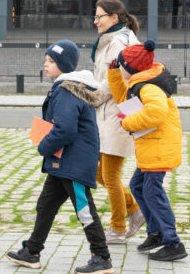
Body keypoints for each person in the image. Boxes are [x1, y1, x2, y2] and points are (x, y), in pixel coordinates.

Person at [6, 40, 114, 274]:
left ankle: (102, 257)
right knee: (45, 206)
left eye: (51, 61)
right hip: (64, 161)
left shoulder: (66, 89)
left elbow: (65, 129)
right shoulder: (67, 86)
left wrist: (44, 146)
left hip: (73, 161)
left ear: (63, 65)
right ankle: (32, 251)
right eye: (46, 59)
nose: (45, 65)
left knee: (84, 210)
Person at [107, 40, 187, 261]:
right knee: (138, 186)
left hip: (158, 146)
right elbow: (123, 99)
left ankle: (173, 243)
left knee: (152, 191)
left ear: (131, 67)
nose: (119, 66)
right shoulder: (140, 83)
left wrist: (128, 123)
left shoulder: (149, 86)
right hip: (152, 146)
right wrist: (114, 73)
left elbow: (156, 113)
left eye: (121, 64)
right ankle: (156, 232)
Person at [91, 0, 144, 244]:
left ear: (114, 17)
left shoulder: (120, 43)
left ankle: (118, 229)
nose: (95, 21)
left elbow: (115, 81)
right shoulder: (115, 40)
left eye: (99, 16)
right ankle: (134, 210)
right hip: (109, 113)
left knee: (109, 176)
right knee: (100, 175)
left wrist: (90, 96)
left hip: (117, 113)